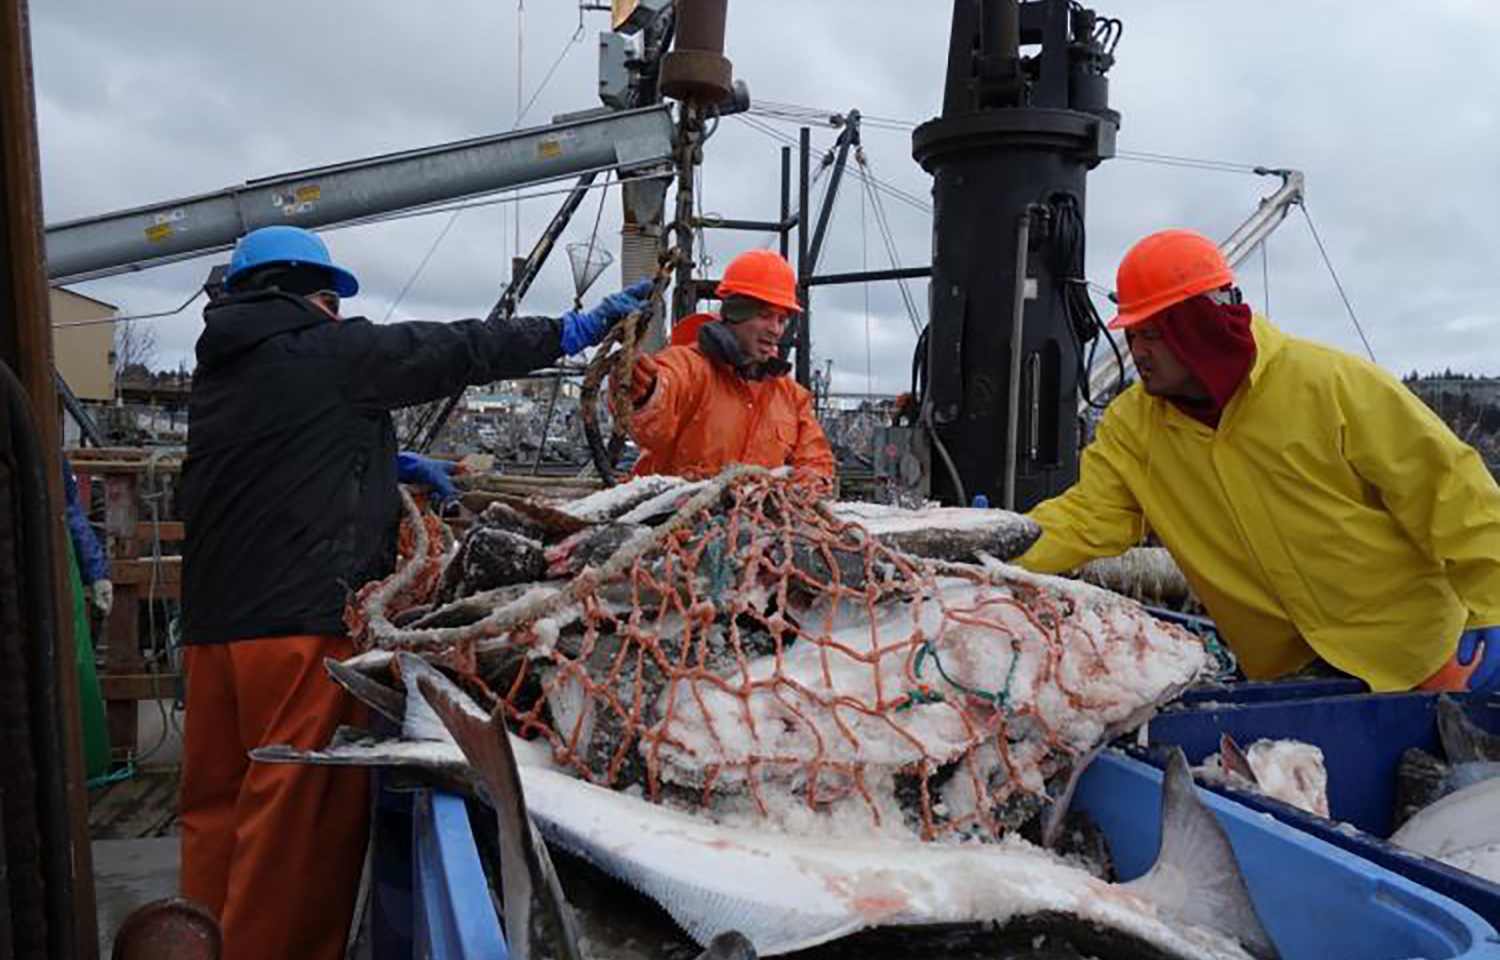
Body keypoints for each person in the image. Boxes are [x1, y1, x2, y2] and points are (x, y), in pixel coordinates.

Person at [177, 225, 650, 960]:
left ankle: (189, 945)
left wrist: (387, 460)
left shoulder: (225, 369)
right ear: (314, 292)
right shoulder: (329, 348)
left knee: (214, 810)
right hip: (300, 626)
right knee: (290, 832)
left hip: (212, 632)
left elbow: (277, 452)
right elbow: (454, 347)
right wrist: (570, 331)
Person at [1015, 228, 1500, 694]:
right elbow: (1088, 517)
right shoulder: (1132, 428)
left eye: (1154, 335)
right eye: (1133, 335)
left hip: (1424, 659)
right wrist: (994, 551)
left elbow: (1451, 494)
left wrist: (1495, 605)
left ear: (1198, 327)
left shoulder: (1330, 385)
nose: (1138, 352)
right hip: (1291, 679)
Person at [622, 249, 835, 482]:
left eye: (782, 319)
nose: (775, 329)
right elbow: (652, 414)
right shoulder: (688, 366)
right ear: (735, 312)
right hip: (672, 515)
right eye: (764, 315)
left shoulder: (792, 398)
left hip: (748, 517)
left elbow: (817, 464)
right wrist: (645, 391)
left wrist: (809, 482)